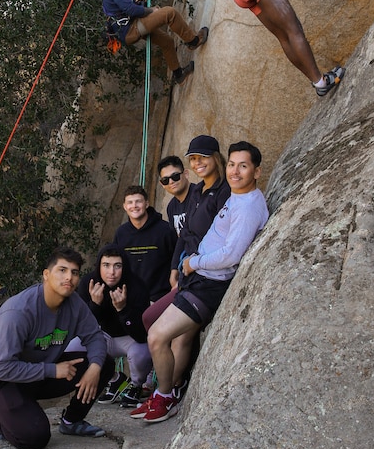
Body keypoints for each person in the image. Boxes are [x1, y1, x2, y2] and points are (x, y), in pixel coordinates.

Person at [131, 142, 269, 423]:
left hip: (209, 283)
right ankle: (165, 393)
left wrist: (194, 262)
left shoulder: (248, 207)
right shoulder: (236, 197)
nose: (235, 171)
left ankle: (165, 395)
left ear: (257, 171)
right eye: (232, 164)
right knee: (168, 335)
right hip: (199, 278)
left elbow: (231, 254)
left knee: (157, 336)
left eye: (243, 166)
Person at [0, 247, 114, 449]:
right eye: (62, 270)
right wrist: (53, 370)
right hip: (2, 381)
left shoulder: (74, 303)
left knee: (104, 364)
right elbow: (2, 368)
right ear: (46, 275)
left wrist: (94, 368)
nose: (69, 277)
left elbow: (94, 336)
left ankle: (71, 421)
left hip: (40, 371)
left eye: (75, 272)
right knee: (35, 438)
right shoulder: (17, 312)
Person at [146, 136, 231, 401]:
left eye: (202, 157)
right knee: (158, 326)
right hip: (189, 272)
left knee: (173, 336)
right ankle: (167, 381)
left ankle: (168, 388)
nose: (171, 183)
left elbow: (223, 240)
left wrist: (192, 263)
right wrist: (176, 268)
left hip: (206, 275)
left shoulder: (216, 192)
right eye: (193, 159)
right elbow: (184, 235)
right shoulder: (188, 199)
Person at [77, 244, 152, 407]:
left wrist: (123, 310)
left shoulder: (137, 286)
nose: (111, 272)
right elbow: (81, 326)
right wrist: (95, 305)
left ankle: (136, 385)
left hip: (131, 338)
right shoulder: (88, 283)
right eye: (106, 265)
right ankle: (115, 379)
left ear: (124, 267)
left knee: (142, 352)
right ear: (99, 266)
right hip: (103, 336)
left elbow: (141, 335)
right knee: (74, 346)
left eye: (117, 266)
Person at [113, 185, 177, 303]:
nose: (134, 206)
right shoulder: (121, 233)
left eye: (138, 201)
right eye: (130, 202)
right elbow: (116, 264)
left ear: (146, 204)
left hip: (161, 298)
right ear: (124, 206)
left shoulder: (165, 230)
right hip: (131, 299)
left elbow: (177, 259)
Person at [158, 154, 193, 239]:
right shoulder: (171, 207)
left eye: (175, 176)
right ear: (162, 184)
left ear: (186, 174)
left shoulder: (201, 195)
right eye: (165, 180)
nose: (171, 182)